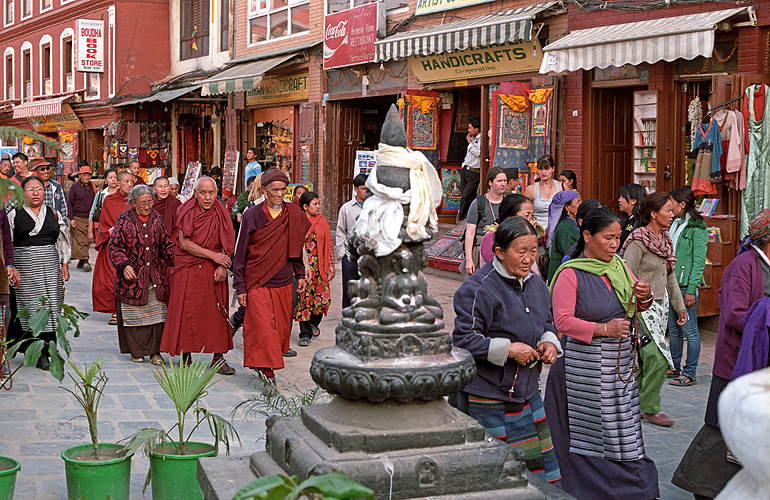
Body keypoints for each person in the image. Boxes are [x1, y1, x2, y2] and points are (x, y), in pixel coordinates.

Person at [547, 207, 656, 500]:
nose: (614, 245)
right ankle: (596, 488)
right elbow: (563, 321)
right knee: (594, 434)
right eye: (608, 238)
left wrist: (644, 296)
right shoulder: (570, 274)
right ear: (587, 236)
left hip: (618, 371)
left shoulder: (620, 266)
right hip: (581, 373)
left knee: (624, 433)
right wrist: (604, 329)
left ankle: (634, 487)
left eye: (618, 238)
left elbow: (633, 305)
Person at [453, 216, 562, 483]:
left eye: (533, 252)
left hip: (526, 392)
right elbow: (463, 338)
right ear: (499, 252)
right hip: (487, 394)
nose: (528, 259)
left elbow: (547, 320)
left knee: (537, 474)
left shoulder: (537, 285)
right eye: (520, 252)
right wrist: (509, 349)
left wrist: (549, 341)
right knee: (494, 476)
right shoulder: (477, 288)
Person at [672, 209, 770, 499]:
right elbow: (735, 316)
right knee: (719, 427)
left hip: (761, 363)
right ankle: (699, 484)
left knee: (746, 428)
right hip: (737, 361)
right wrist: (764, 317)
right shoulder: (743, 266)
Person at [233, 169, 309, 383]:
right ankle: (268, 372)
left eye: (283, 190)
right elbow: (241, 252)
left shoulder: (293, 214)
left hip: (284, 280)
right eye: (275, 190)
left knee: (280, 330)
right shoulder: (252, 214)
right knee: (263, 327)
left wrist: (300, 274)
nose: (279, 194)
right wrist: (240, 286)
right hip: (256, 280)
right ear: (264, 190)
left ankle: (261, 363)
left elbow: (296, 246)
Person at [620, 192, 687, 427]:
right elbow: (625, 275)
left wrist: (679, 307)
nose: (672, 214)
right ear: (653, 213)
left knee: (644, 360)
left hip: (660, 307)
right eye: (668, 210)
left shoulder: (666, 241)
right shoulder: (638, 241)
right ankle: (649, 407)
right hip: (640, 308)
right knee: (657, 359)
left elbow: (670, 278)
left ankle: (633, 404)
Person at [160, 177, 236, 375]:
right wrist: (214, 256)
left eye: (211, 193)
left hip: (214, 269)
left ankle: (218, 358)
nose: (208, 197)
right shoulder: (187, 210)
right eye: (203, 193)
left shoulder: (221, 211)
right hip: (189, 266)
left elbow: (228, 239)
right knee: (187, 310)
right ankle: (185, 354)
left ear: (217, 192)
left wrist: (222, 263)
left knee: (217, 312)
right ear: (195, 193)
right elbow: (184, 243)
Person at [7, 176, 70, 370]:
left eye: (39, 189)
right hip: (24, 266)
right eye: (30, 189)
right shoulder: (14, 214)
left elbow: (63, 240)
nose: (35, 193)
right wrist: (11, 266)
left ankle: (46, 351)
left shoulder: (54, 213)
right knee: (29, 307)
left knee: (51, 306)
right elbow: (7, 242)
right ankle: (31, 348)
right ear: (22, 193)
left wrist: (64, 264)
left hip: (50, 265)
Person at [109, 185, 175, 365]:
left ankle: (155, 352)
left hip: (153, 276)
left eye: (150, 202)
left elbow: (165, 244)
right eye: (142, 203)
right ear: (133, 203)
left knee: (157, 315)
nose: (147, 206)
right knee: (135, 316)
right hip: (132, 278)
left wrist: (176, 260)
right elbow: (114, 247)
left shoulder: (156, 218)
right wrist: (124, 265)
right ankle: (137, 351)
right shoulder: (124, 220)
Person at [667, 186, 709, 386]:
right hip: (672, 284)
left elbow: (699, 261)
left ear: (682, 204)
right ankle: (674, 366)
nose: (670, 206)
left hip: (685, 287)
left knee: (689, 331)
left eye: (672, 203)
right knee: (674, 330)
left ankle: (689, 372)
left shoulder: (698, 227)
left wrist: (692, 290)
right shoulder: (675, 222)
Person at [294, 191, 334, 347]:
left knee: (322, 299)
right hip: (302, 267)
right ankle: (304, 333)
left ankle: (313, 323)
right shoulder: (297, 221)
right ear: (305, 206)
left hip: (320, 268)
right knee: (303, 300)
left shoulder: (322, 221)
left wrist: (330, 265)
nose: (318, 207)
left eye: (318, 203)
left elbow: (329, 244)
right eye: (314, 204)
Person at [93, 171, 133, 325]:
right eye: (126, 181)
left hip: (132, 244)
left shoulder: (136, 200)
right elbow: (104, 223)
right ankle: (115, 311)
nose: (129, 184)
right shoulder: (109, 200)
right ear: (118, 183)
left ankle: (129, 309)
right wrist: (116, 232)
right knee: (112, 278)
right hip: (114, 243)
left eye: (131, 181)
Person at [463, 167, 507, 276]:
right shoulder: (478, 203)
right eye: (499, 181)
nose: (503, 184)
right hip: (480, 249)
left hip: (503, 250)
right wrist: (469, 259)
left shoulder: (508, 202)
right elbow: (470, 233)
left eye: (505, 181)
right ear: (490, 183)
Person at [478, 194, 540, 272]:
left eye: (532, 216)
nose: (532, 221)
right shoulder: (492, 238)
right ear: (510, 218)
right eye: (526, 216)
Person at [336, 173, 367, 309]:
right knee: (349, 288)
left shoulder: (375, 208)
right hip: (350, 256)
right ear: (355, 189)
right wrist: (342, 253)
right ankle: (349, 314)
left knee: (369, 287)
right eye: (363, 189)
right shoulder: (346, 208)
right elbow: (341, 231)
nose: (366, 192)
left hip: (369, 255)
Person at [546, 190, 581, 283]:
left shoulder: (574, 223)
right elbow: (572, 254)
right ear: (567, 207)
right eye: (578, 202)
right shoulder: (564, 228)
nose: (580, 204)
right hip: (561, 278)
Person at [66, 163, 96, 272]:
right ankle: (85, 260)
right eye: (84, 175)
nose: (86, 177)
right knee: (81, 239)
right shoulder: (74, 187)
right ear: (80, 176)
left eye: (88, 175)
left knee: (88, 240)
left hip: (89, 218)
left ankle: (81, 262)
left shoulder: (92, 186)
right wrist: (71, 218)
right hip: (77, 217)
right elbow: (69, 203)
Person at [524, 155, 562, 231]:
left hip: (557, 230)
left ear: (553, 169)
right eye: (540, 169)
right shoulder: (531, 189)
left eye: (547, 168)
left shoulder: (561, 187)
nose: (543, 172)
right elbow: (524, 212)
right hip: (537, 230)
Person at [30, 158, 68, 225]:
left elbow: (63, 209)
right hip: (35, 226)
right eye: (42, 169)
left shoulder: (56, 187)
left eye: (47, 168)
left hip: (53, 225)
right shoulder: (28, 187)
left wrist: (64, 226)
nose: (46, 171)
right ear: (35, 172)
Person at [457, 116, 481, 221]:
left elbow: (478, 153)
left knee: (467, 195)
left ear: (476, 129)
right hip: (466, 169)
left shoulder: (481, 139)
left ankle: (460, 216)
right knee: (465, 196)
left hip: (474, 172)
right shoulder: (472, 138)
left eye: (470, 128)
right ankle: (467, 218)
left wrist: (470, 144)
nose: (468, 130)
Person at [88, 168, 118, 245]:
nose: (113, 180)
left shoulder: (122, 193)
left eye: (115, 177)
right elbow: (92, 213)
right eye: (110, 178)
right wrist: (90, 231)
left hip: (119, 227)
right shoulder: (101, 194)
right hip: (104, 228)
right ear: (105, 180)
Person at [151, 177, 182, 246]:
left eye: (166, 186)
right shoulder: (150, 203)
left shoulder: (175, 203)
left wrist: (170, 242)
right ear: (154, 188)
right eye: (160, 187)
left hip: (171, 241)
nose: (163, 190)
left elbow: (180, 225)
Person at [618, 182, 646, 247]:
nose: (619, 200)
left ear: (633, 201)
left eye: (622, 197)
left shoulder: (641, 221)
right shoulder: (625, 219)